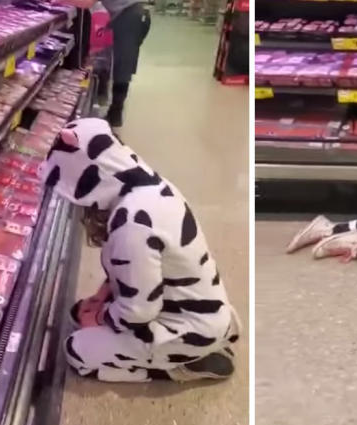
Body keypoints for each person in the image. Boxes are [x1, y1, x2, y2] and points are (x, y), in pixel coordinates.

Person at [40, 117, 240, 382]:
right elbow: (135, 273)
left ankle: (180, 364)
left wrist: (100, 317)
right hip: (192, 307)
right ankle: (194, 345)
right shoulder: (150, 188)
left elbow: (139, 310)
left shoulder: (132, 223)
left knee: (77, 350)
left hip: (182, 325)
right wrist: (101, 298)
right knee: (78, 313)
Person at [57, 0, 150, 128]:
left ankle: (115, 115)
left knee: (121, 67)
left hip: (129, 17)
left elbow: (88, 2)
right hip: (140, 16)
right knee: (125, 63)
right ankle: (115, 111)